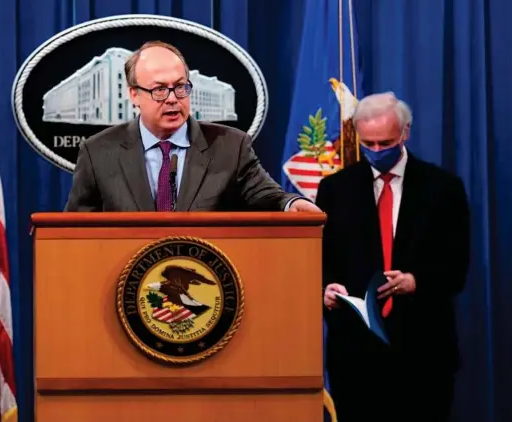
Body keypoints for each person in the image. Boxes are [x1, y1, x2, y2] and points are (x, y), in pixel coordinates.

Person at [317, 92, 470, 421]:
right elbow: (321, 260)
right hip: (356, 355)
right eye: (367, 143)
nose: (375, 152)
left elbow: (457, 266)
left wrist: (416, 281)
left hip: (424, 351)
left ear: (405, 133)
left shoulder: (443, 188)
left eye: (384, 143)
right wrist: (326, 290)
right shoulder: (335, 190)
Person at [64, 41, 320, 213]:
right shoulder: (98, 152)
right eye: (160, 89)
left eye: (180, 86)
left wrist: (292, 203)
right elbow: (76, 230)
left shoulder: (230, 146)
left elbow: (267, 195)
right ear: (133, 94)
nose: (173, 98)